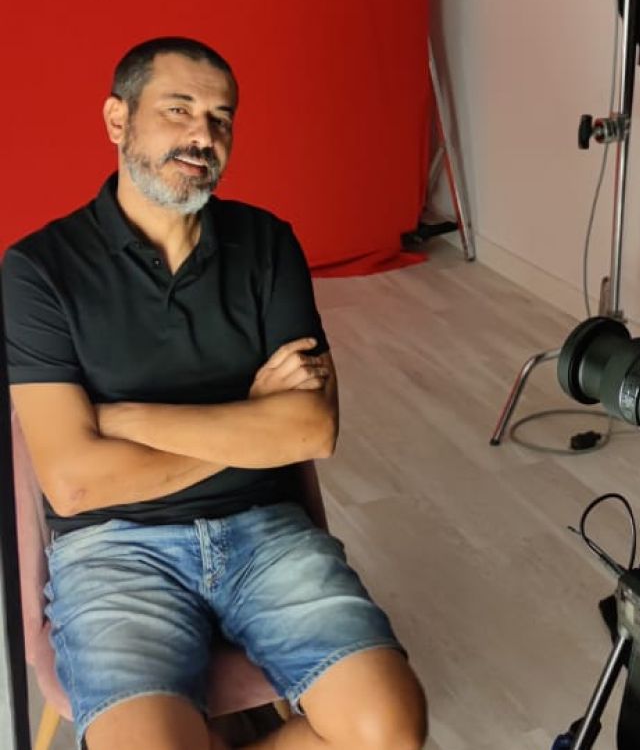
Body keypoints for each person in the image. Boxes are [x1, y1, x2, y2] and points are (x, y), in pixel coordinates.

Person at [1, 37, 428, 750]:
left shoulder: (267, 244)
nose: (204, 134)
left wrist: (128, 420)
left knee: (389, 730)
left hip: (263, 531)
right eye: (179, 110)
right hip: (113, 552)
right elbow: (73, 485)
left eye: (221, 118)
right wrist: (250, 428)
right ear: (117, 120)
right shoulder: (39, 269)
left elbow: (311, 432)